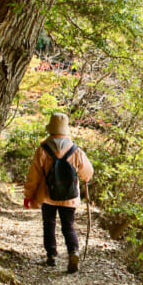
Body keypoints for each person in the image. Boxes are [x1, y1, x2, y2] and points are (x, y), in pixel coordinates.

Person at [23, 112, 94, 273]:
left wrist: (28, 195)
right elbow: (88, 173)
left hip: (47, 196)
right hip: (69, 197)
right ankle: (73, 252)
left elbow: (33, 176)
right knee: (68, 226)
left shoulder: (43, 149)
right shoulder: (75, 150)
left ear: (51, 129)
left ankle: (51, 256)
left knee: (49, 224)